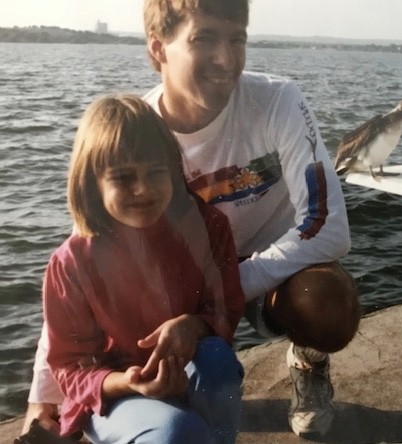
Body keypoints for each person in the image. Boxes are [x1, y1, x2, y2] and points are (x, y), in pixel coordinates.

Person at [23, 0, 361, 439]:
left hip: (263, 275)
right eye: (204, 39)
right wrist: (41, 398)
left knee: (328, 301)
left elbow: (329, 228)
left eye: (236, 39)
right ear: (158, 49)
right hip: (186, 284)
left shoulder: (278, 101)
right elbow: (80, 266)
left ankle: (308, 362)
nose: (225, 59)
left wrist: (221, 293)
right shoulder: (136, 134)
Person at [36, 94, 245, 443]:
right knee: (179, 432)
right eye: (123, 177)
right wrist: (129, 381)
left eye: (155, 172)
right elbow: (70, 369)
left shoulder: (208, 227)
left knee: (218, 363)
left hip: (185, 370)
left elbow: (226, 309)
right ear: (92, 183)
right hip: (115, 396)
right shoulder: (70, 263)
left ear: (175, 171)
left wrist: (194, 327)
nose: (143, 189)